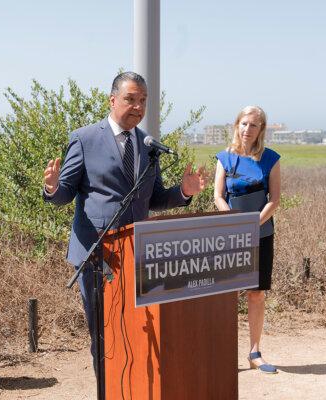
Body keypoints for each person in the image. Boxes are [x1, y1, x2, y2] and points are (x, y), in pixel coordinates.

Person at [42, 71, 207, 370]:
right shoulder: (84, 139)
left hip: (136, 255)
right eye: (131, 99)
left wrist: (184, 191)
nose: (138, 107)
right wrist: (53, 188)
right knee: (104, 336)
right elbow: (65, 193)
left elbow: (152, 198)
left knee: (133, 331)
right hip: (97, 255)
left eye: (143, 100)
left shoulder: (147, 144)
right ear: (113, 99)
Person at [214, 105, 280, 374]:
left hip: (261, 233)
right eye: (244, 123)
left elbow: (274, 199)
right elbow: (218, 196)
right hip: (230, 236)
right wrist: (234, 224)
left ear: (260, 130)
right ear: (236, 125)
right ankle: (224, 353)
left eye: (254, 125)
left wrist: (252, 225)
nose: (247, 129)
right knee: (226, 296)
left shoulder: (271, 158)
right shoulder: (224, 158)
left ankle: (254, 352)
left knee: (256, 294)